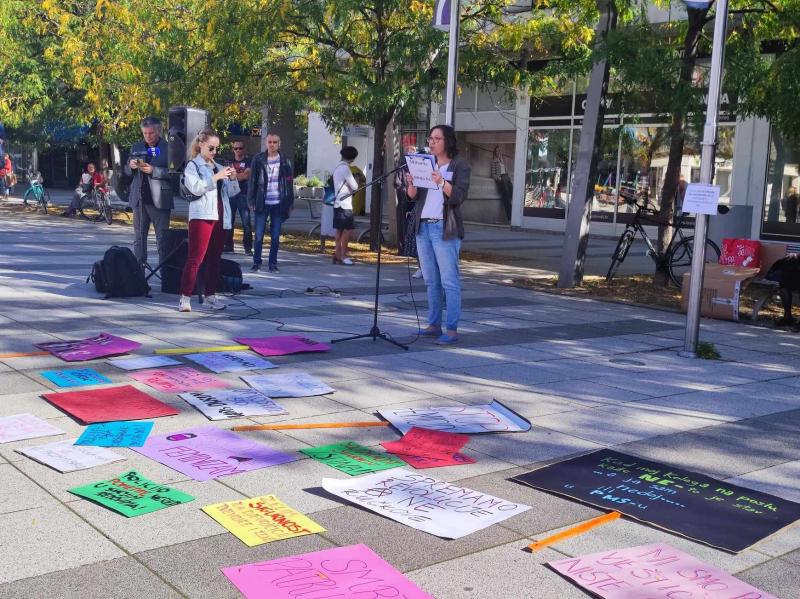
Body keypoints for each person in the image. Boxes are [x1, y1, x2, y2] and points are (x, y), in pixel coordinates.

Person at [406, 125, 470, 345]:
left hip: (445, 228)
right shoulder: (426, 162)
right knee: (431, 280)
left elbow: (459, 196)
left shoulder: (459, 165)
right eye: (430, 138)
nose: (432, 142)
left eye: (437, 138)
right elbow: (413, 197)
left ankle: (451, 330)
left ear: (448, 141)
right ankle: (434, 324)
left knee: (449, 282)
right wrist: (411, 184)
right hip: (423, 227)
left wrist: (441, 182)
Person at [178, 129, 239, 313]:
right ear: (201, 145)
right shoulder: (192, 166)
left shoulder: (218, 166)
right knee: (196, 258)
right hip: (201, 215)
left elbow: (232, 192)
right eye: (211, 148)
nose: (214, 152)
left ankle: (210, 296)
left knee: (215, 258)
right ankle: (185, 297)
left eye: (216, 149)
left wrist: (233, 179)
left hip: (221, 215)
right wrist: (216, 177)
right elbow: (196, 188)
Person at [124, 116, 174, 266]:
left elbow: (175, 174)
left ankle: (165, 274)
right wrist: (131, 167)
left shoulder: (169, 148)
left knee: (162, 239)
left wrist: (154, 170)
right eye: (145, 133)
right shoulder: (136, 147)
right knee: (139, 238)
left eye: (151, 133)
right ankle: (139, 275)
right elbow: (126, 172)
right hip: (139, 199)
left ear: (159, 131)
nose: (148, 136)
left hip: (159, 199)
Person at [247, 133, 293, 273]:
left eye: (275, 142)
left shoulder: (285, 160)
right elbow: (252, 181)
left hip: (278, 203)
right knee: (259, 235)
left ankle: (273, 264)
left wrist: (290, 203)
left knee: (275, 236)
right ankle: (257, 262)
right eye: (269, 142)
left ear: (279, 144)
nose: (272, 144)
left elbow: (289, 183)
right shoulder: (259, 159)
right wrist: (251, 200)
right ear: (266, 143)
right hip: (262, 201)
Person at [395, 144, 422, 278]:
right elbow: (398, 184)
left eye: (414, 153)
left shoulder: (420, 168)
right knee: (410, 234)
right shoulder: (402, 168)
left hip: (418, 206)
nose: (411, 155)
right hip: (407, 203)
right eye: (409, 153)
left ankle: (426, 268)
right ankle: (419, 266)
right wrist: (409, 187)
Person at [223, 141, 252, 255]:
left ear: (244, 149)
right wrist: (236, 177)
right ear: (233, 149)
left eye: (240, 148)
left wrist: (234, 176)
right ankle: (229, 245)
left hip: (243, 194)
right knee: (229, 221)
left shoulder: (249, 161)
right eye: (236, 148)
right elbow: (226, 176)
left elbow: (246, 175)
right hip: (231, 194)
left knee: (246, 222)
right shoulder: (229, 161)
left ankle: (248, 247)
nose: (238, 150)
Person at [332, 146, 359, 265]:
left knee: (339, 230)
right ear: (352, 158)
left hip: (337, 202)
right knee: (347, 230)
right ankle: (343, 255)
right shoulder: (346, 169)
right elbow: (355, 186)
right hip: (345, 204)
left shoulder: (337, 167)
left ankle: (337, 254)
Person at [491, 146, 513, 222]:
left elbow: (506, 171)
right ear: (495, 153)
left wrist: (508, 176)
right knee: (506, 198)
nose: (498, 152)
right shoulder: (494, 161)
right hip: (501, 179)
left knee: (512, 194)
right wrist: (498, 178)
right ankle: (510, 218)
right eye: (497, 151)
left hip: (507, 178)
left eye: (499, 151)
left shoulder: (503, 161)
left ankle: (514, 214)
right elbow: (493, 174)